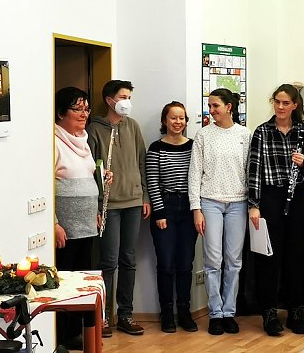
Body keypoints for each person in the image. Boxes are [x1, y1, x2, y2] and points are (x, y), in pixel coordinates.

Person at [86, 79, 151, 336]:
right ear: (109, 100)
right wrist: (97, 202)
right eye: (122, 96)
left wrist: (144, 196)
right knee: (108, 262)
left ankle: (125, 314)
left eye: (129, 96)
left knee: (129, 260)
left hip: (133, 202)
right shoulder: (94, 129)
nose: (127, 101)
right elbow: (89, 169)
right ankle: (102, 316)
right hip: (108, 205)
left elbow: (142, 161)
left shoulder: (132, 126)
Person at [247, 84, 304, 336]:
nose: (281, 107)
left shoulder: (303, 133)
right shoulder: (262, 132)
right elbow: (254, 169)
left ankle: (295, 311)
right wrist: (254, 205)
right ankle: (269, 312)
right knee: (268, 257)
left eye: (286, 103)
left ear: (295, 105)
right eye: (277, 102)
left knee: (295, 256)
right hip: (270, 198)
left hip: (295, 197)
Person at [188, 88, 251, 336]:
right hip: (210, 202)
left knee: (234, 262)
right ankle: (215, 312)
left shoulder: (244, 134)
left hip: (238, 203)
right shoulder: (203, 135)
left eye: (216, 106)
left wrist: (253, 204)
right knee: (213, 261)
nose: (211, 110)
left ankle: (229, 312)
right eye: (210, 106)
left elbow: (249, 171)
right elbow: (194, 173)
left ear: (229, 107)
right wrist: (196, 208)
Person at [53, 86, 109, 350]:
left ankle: (76, 331)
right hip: (65, 227)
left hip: (87, 223)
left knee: (83, 279)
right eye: (78, 108)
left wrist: (96, 209)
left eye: (86, 108)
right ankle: (60, 335)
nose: (84, 113)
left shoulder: (83, 140)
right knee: (65, 280)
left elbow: (88, 178)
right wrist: (52, 222)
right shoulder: (53, 140)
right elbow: (45, 185)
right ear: (62, 112)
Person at [146, 101, 199, 333]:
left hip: (188, 208)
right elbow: (152, 182)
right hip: (165, 208)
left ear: (186, 121)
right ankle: (167, 312)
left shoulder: (194, 147)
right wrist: (159, 212)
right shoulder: (155, 148)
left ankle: (184, 310)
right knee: (166, 264)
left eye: (182, 118)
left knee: (185, 263)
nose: (178, 122)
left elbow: (199, 178)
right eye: (173, 118)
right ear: (164, 121)